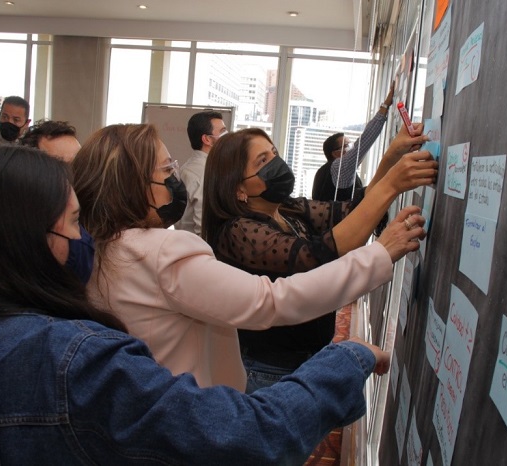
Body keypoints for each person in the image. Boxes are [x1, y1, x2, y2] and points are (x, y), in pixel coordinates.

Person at [0, 145, 392, 464]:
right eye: (72, 222)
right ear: (24, 239)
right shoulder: (75, 359)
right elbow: (248, 436)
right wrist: (350, 357)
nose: (83, 238)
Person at [72, 123, 424, 391]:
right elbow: (271, 301)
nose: (176, 179)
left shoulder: (106, 248)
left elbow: (350, 212)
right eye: (167, 171)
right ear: (133, 187)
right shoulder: (166, 250)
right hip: (204, 398)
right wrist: (380, 254)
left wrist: (390, 162)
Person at [202, 126, 437, 393]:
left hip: (305, 359)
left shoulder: (288, 209)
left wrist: (391, 156)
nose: (276, 164)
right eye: (263, 161)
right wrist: (393, 184)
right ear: (237, 188)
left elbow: (352, 211)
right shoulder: (239, 232)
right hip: (270, 372)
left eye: (273, 153)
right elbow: (320, 253)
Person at [20, 118, 93, 284]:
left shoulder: (97, 214)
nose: (74, 174)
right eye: (62, 167)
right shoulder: (32, 230)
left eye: (79, 164)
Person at [312, 82, 395, 201]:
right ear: (336, 153)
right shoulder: (339, 168)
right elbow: (365, 141)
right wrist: (386, 105)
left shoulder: (326, 172)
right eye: (347, 145)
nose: (351, 148)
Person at [174, 110, 227, 235]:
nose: (227, 136)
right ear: (207, 139)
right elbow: (204, 226)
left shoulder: (201, 166)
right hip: (198, 247)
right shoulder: (202, 173)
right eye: (223, 132)